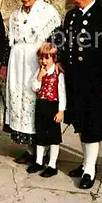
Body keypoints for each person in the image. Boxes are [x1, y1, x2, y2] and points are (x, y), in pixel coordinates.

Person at [58, 0, 102, 189]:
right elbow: (64, 41)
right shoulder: (71, 16)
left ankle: (90, 169)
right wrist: (62, 59)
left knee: (92, 124)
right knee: (81, 122)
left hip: (95, 80)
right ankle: (85, 163)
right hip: (75, 79)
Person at [0, 0, 62, 164]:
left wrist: (56, 61)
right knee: (19, 99)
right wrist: (4, 64)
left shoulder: (48, 12)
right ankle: (30, 149)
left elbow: (57, 38)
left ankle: (43, 148)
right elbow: (9, 42)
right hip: (18, 62)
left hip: (38, 60)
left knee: (38, 100)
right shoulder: (15, 16)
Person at [26, 43, 66, 177]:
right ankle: (39, 161)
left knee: (53, 136)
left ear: (54, 58)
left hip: (52, 106)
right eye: (41, 58)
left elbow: (62, 93)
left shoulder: (57, 73)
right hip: (41, 105)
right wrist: (39, 77)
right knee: (40, 134)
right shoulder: (39, 72)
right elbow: (35, 88)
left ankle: (52, 164)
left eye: (47, 58)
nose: (43, 61)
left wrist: (61, 111)